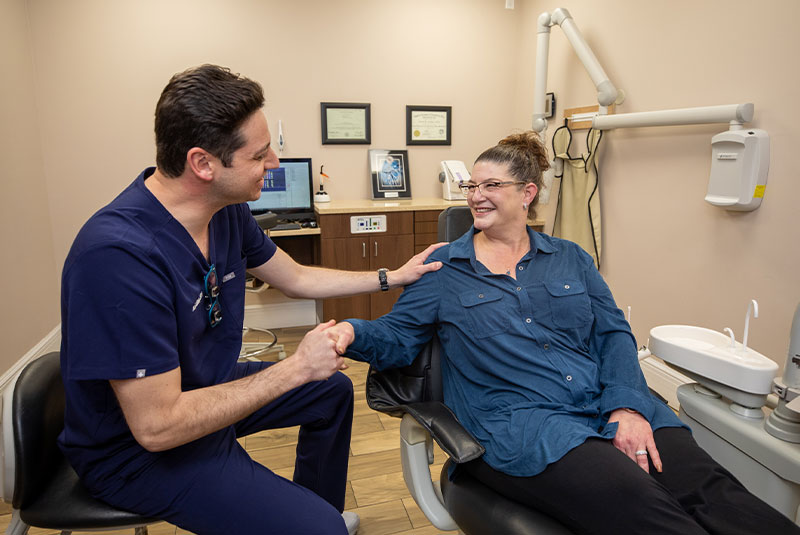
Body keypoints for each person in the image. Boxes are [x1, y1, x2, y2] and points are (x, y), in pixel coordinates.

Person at [328, 132, 800, 535]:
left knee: (710, 488)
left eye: (492, 185)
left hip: (603, 402)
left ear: (528, 192)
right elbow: (395, 337)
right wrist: (350, 330)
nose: (475, 195)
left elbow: (614, 334)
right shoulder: (442, 271)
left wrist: (627, 406)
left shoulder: (570, 257)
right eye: (472, 184)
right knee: (646, 508)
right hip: (525, 424)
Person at [58, 64, 443, 535]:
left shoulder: (226, 213)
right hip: (137, 453)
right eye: (260, 155)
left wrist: (392, 276)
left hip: (202, 391)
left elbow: (297, 277)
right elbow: (158, 427)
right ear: (203, 164)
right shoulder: (118, 256)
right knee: (320, 523)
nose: (275, 163)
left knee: (331, 392)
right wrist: (296, 367)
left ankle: (316, 512)